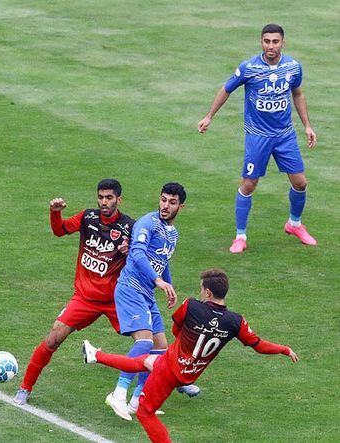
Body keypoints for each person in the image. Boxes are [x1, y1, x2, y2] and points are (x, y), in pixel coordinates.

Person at [82, 268, 299, 443]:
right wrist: (285, 349)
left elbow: (176, 329)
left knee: (145, 413)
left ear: (208, 292)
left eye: (201, 289)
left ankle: (99, 360)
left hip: (171, 368)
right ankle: (95, 355)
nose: (200, 292)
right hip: (189, 373)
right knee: (143, 362)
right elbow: (259, 345)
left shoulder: (191, 306)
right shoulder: (235, 321)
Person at [12, 179, 134, 406]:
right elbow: (59, 230)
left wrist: (130, 252)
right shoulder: (88, 217)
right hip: (85, 298)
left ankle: (174, 377)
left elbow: (142, 259)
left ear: (119, 199)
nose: (104, 202)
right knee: (53, 337)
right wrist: (55, 212)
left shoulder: (130, 227)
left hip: (116, 300)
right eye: (100, 197)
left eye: (109, 198)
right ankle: (24, 388)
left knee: (147, 340)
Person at [197, 24, 318, 253]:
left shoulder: (293, 67)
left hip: (285, 136)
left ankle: (294, 224)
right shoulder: (249, 68)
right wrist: (209, 116)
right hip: (258, 136)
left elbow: (298, 94)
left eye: (275, 41)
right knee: (249, 184)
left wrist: (307, 126)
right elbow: (226, 89)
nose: (271, 46)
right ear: (261, 42)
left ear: (283, 43)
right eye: (266, 41)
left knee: (300, 183)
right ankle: (240, 237)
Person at [106, 183, 199, 421]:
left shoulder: (173, 233)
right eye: (163, 200)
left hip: (146, 294)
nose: (165, 206)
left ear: (181, 206)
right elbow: (137, 253)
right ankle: (118, 394)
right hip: (130, 288)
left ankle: (138, 400)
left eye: (172, 202)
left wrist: (169, 285)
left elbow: (162, 260)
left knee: (160, 349)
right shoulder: (147, 223)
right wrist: (158, 281)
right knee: (145, 342)